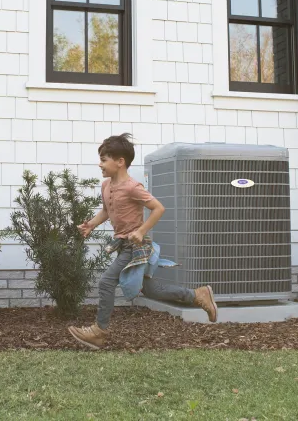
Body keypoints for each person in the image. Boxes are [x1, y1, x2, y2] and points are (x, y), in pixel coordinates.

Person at [68, 133, 218, 350]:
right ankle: (197, 295)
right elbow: (107, 211)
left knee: (106, 282)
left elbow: (158, 208)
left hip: (135, 247)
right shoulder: (106, 186)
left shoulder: (132, 187)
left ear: (120, 162)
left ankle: (99, 331)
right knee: (150, 290)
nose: (99, 164)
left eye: (103, 159)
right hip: (124, 246)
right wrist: (91, 224)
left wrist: (141, 230)